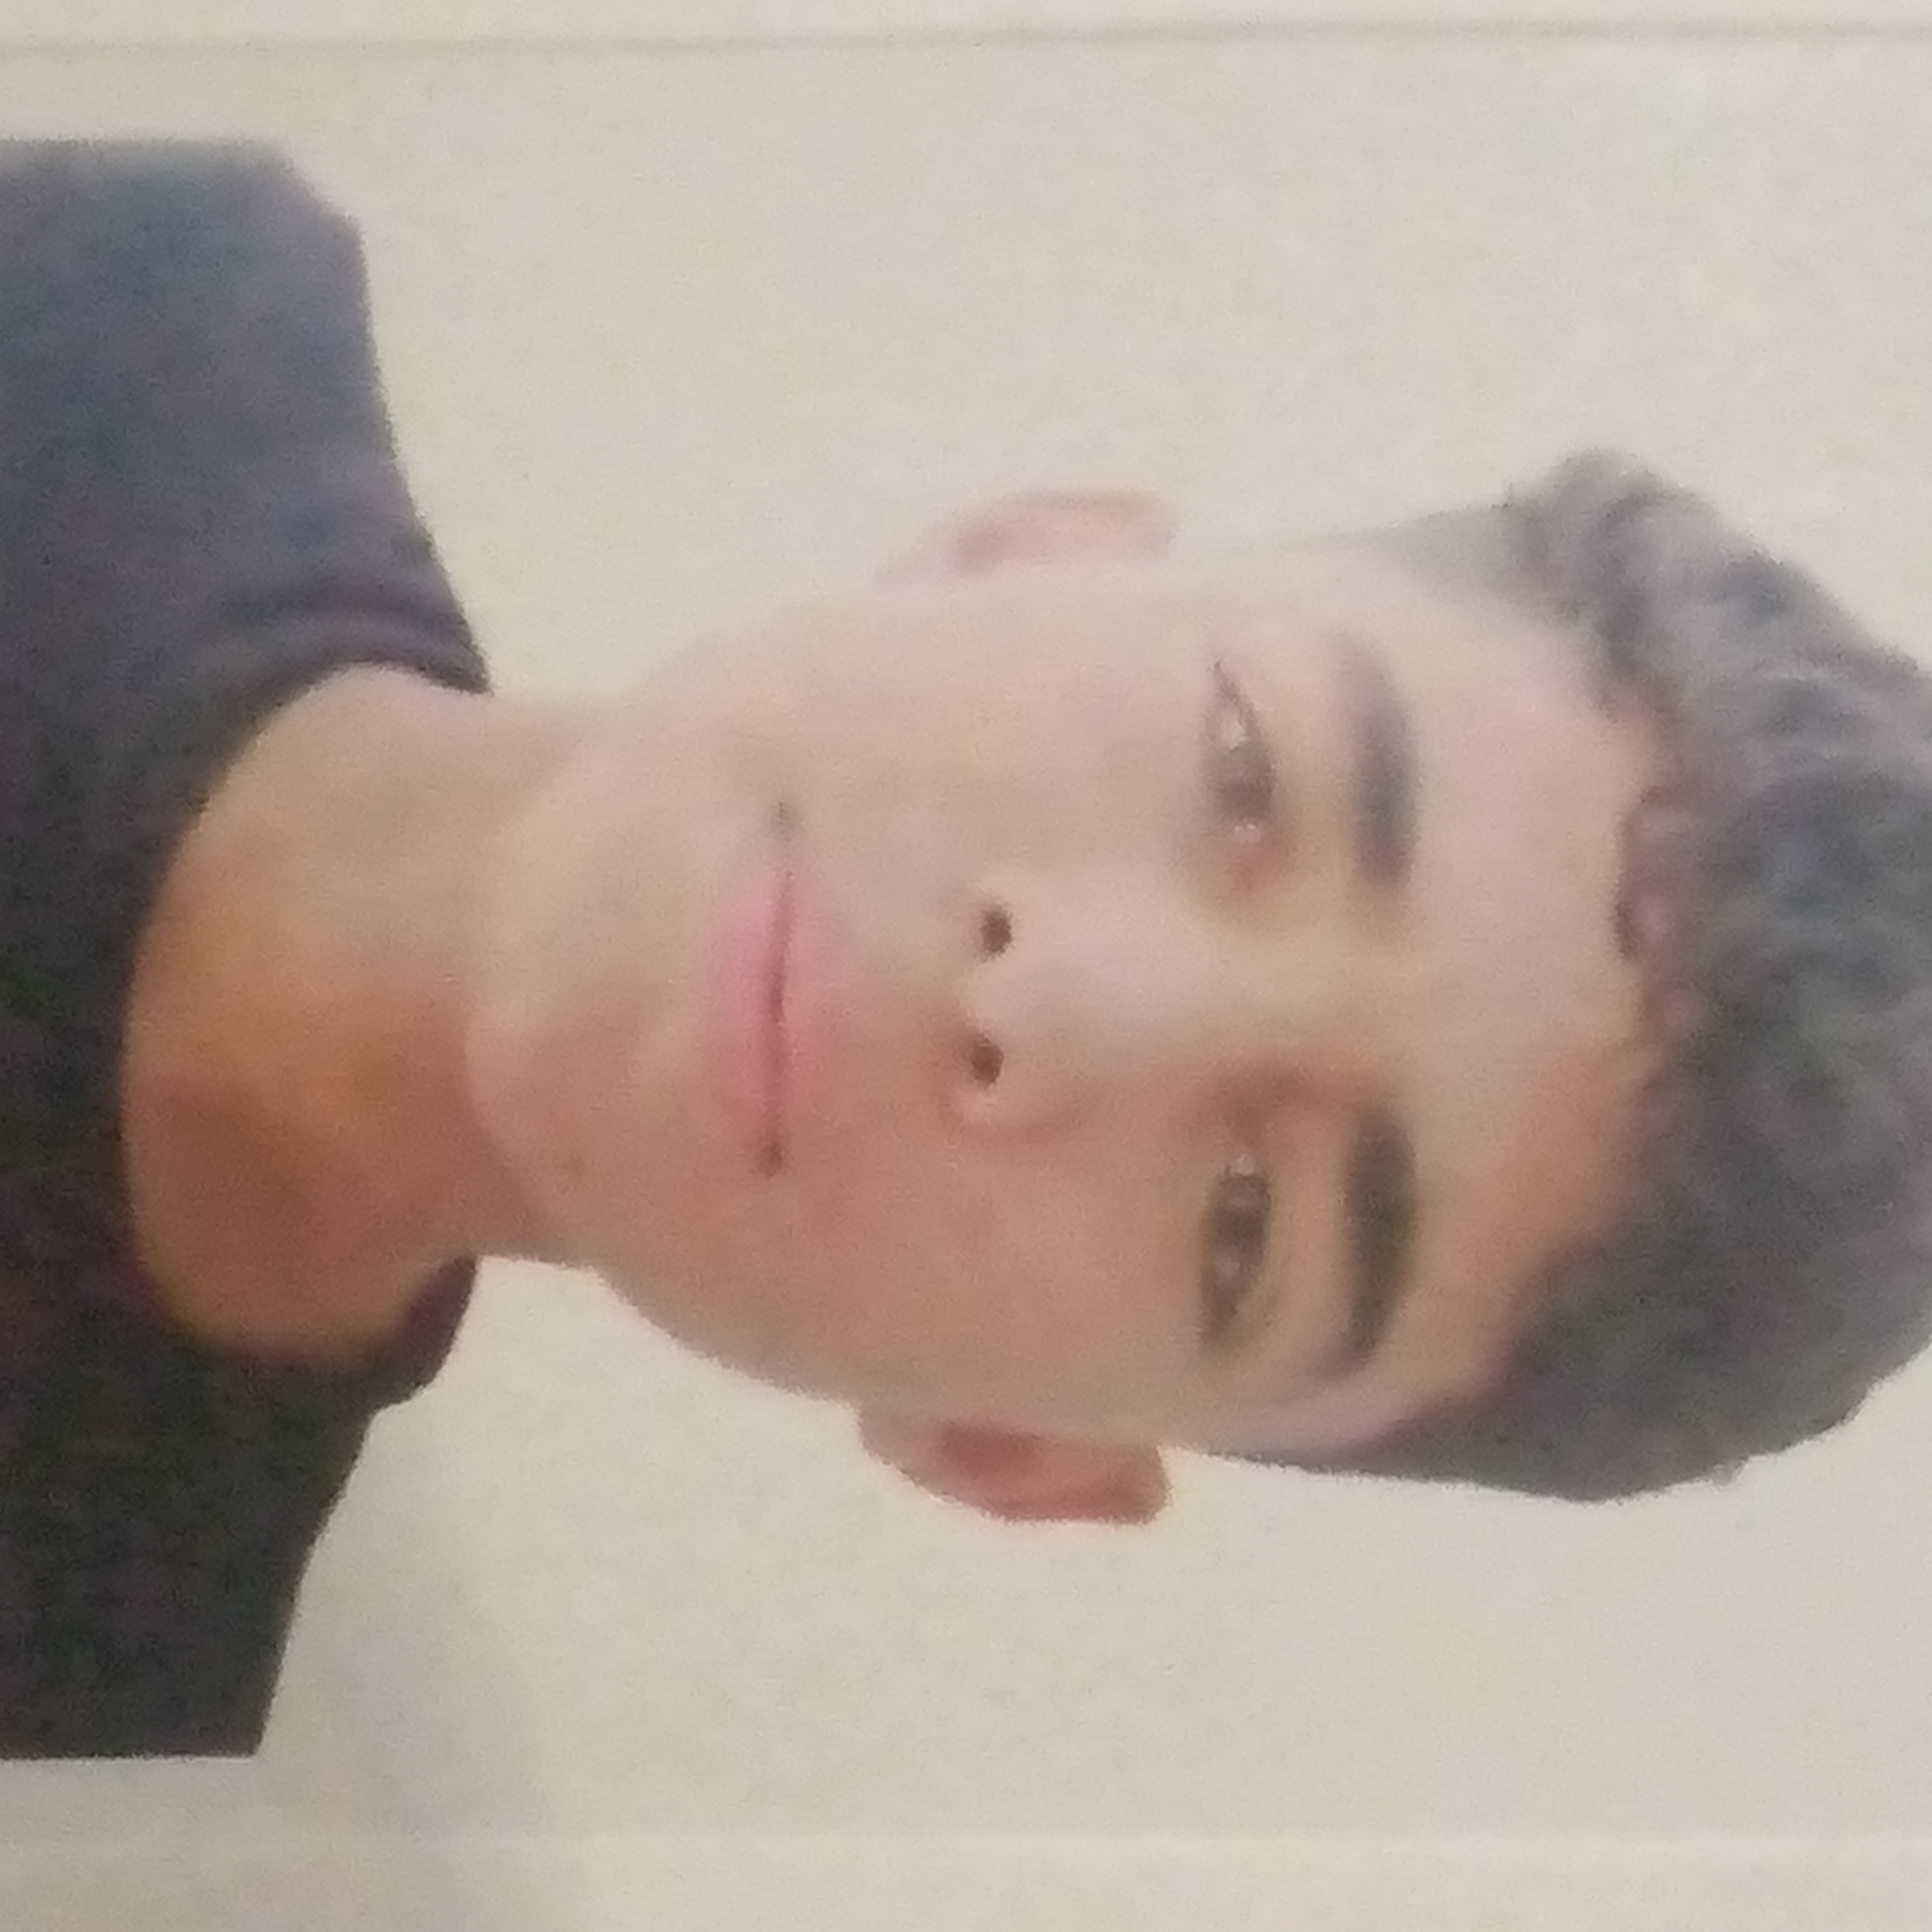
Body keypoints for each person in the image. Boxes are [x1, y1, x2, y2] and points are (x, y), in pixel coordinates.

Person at [4, 143, 1929, 1759]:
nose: (1060, 1003)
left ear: (1017, 1453)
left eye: (1244, 1223)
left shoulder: (102, 1661)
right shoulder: (110, 307)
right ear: (1039, 547)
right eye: (1244, 775)